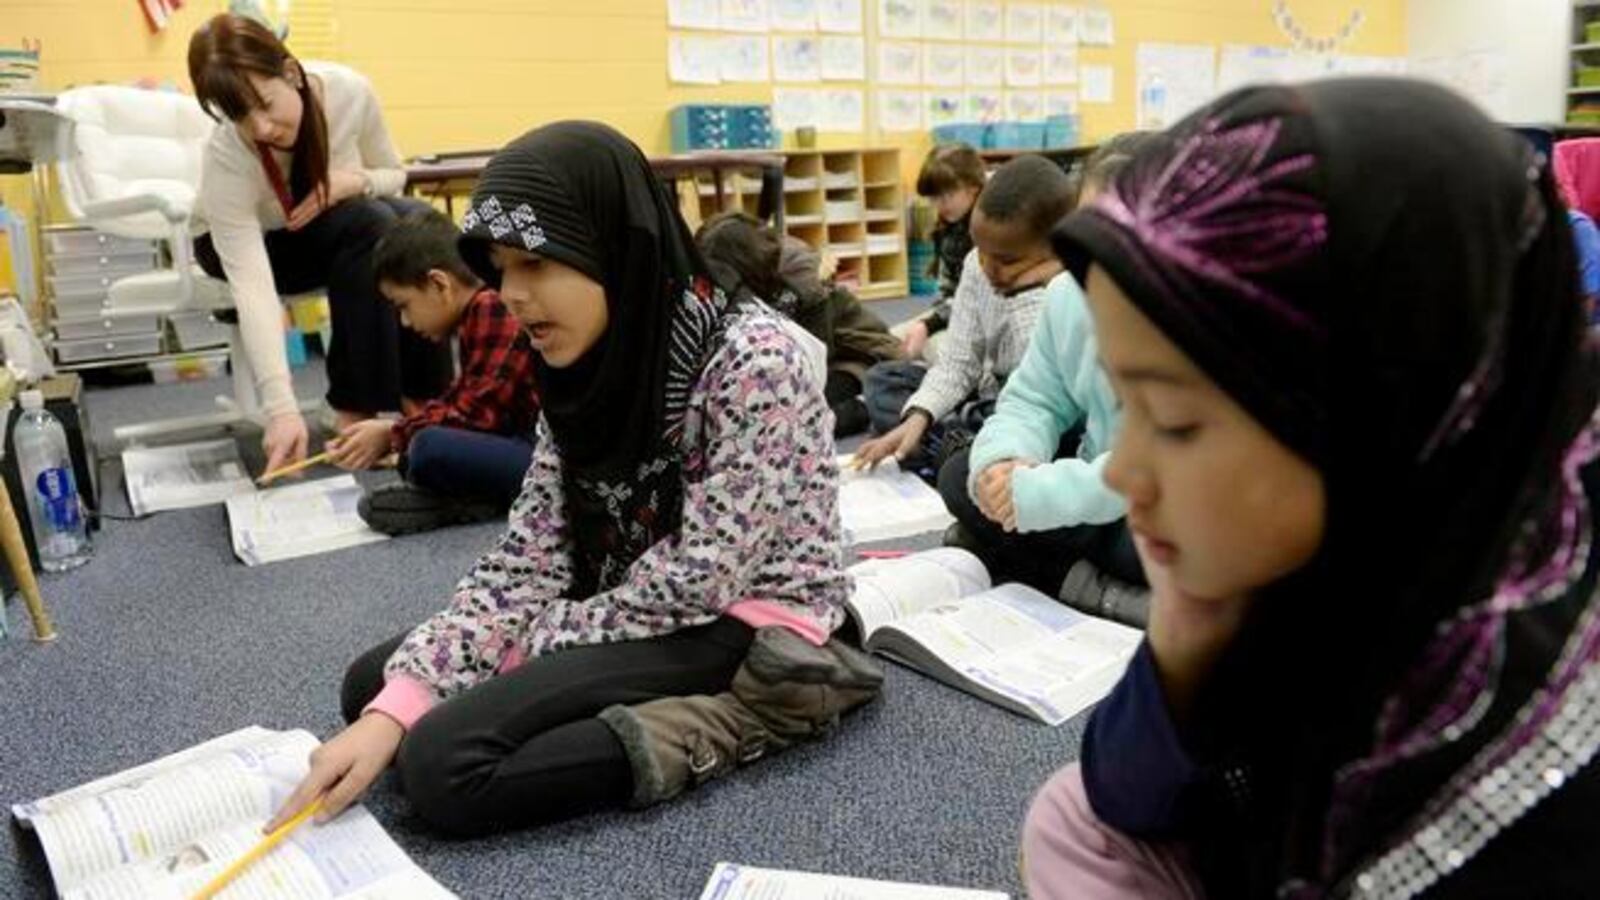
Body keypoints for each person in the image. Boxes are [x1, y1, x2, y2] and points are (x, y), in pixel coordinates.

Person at [1022, 80, 1600, 898]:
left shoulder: (1534, 774)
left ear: (1383, 413)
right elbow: (1123, 790)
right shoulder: (1323, 555)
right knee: (1077, 817)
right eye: (1126, 404)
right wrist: (1182, 651)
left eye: (1177, 422)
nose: (1120, 469)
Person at [265, 122, 865, 837]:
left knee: (444, 768)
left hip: (745, 617)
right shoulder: (574, 361)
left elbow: (704, 577)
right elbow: (532, 554)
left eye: (535, 265)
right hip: (622, 593)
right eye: (499, 268)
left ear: (610, 247)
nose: (511, 296)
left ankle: (754, 712)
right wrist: (420, 685)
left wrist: (530, 642)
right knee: (376, 688)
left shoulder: (751, 361)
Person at [188, 13, 452, 475]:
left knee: (420, 223)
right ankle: (355, 409)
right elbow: (253, 286)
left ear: (290, 73)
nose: (262, 129)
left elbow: (395, 174)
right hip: (241, 244)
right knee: (369, 224)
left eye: (266, 104)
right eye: (240, 117)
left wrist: (353, 180)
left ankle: (427, 400)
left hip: (332, 217)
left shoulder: (351, 93)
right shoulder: (227, 154)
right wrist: (282, 409)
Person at [939, 135, 1161, 612]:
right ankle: (1085, 581)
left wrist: (1040, 497)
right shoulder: (1070, 293)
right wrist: (1005, 462)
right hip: (1104, 496)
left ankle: (1072, 581)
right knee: (962, 475)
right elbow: (1033, 398)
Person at [325, 208, 540, 535]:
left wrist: (393, 434)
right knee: (422, 448)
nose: (405, 322)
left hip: (552, 458)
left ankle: (479, 498)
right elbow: (461, 396)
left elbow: (480, 414)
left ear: (439, 284)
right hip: (525, 443)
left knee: (428, 448)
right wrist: (398, 432)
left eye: (403, 305)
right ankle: (476, 495)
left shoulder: (492, 306)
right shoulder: (475, 313)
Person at [855, 155, 1070, 477]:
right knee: (885, 381)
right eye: (980, 250)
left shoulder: (1067, 288)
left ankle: (953, 452)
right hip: (987, 393)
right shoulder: (976, 265)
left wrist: (1023, 292)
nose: (988, 269)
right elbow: (958, 362)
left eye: (1006, 261)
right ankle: (949, 446)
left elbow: (1044, 395)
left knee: (1030, 446)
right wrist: (920, 414)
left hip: (1036, 410)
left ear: (1056, 250)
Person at [696, 210, 902, 437]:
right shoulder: (746, 273)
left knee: (796, 419)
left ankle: (862, 408)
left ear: (741, 265)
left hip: (854, 356)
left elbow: (814, 357)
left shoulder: (801, 281)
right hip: (800, 355)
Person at [896, 143, 986, 363]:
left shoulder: (987, 230)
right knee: (892, 341)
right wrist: (930, 323)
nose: (939, 205)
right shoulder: (950, 226)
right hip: (954, 313)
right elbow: (947, 291)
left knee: (936, 350)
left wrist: (929, 325)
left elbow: (975, 299)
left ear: (972, 188)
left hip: (980, 321)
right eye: (934, 198)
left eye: (947, 196)